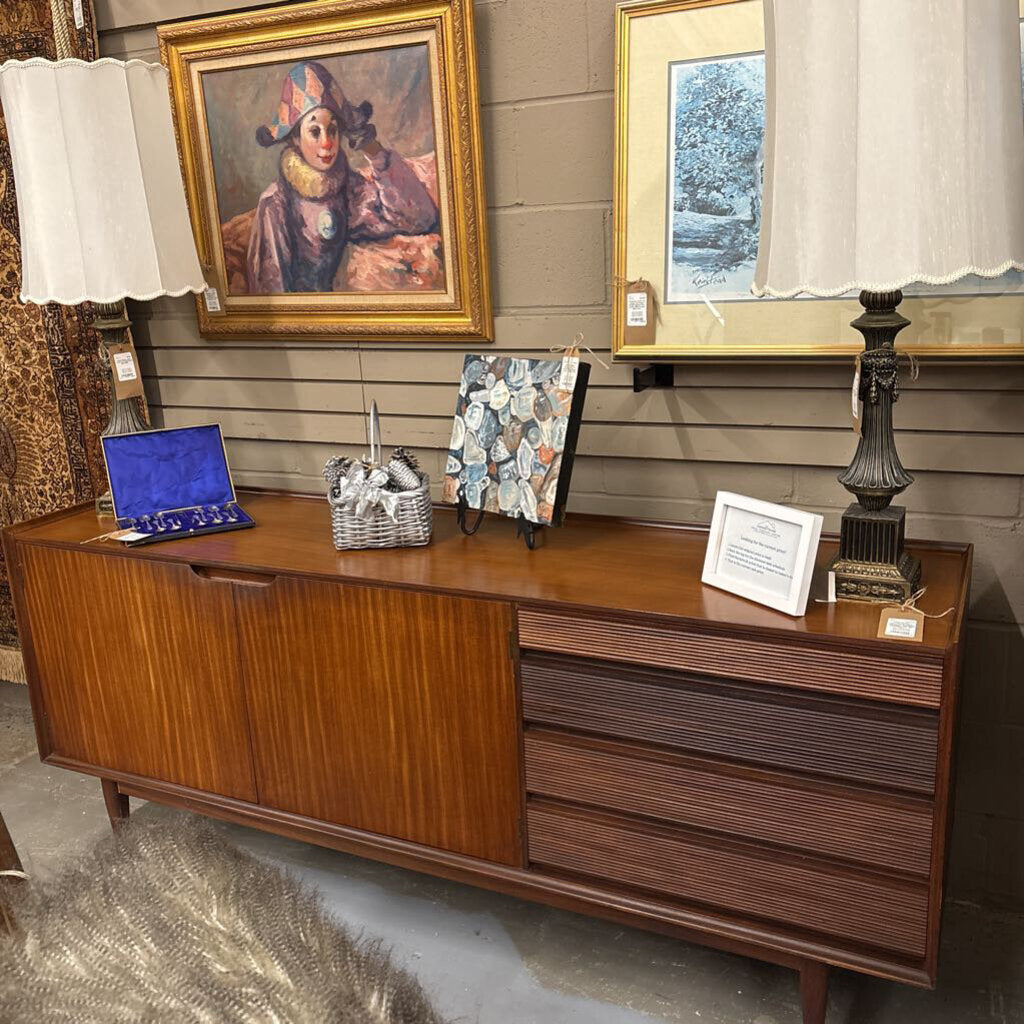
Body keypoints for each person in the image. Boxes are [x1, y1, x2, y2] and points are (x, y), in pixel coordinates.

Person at [247, 60, 439, 294]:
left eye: (333, 130)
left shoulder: (349, 189)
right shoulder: (275, 202)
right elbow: (270, 290)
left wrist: (374, 150)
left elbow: (418, 218)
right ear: (295, 139)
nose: (327, 143)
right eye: (315, 132)